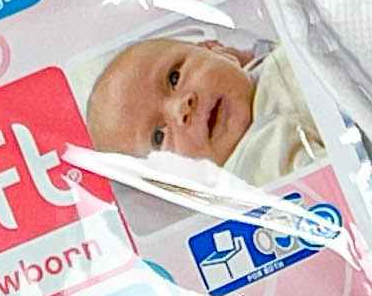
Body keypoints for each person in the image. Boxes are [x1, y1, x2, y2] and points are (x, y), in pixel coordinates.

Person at [82, 27, 329, 190]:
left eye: (174, 78)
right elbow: (333, 191)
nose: (181, 108)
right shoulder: (252, 166)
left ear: (216, 50)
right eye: (159, 136)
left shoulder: (261, 65)